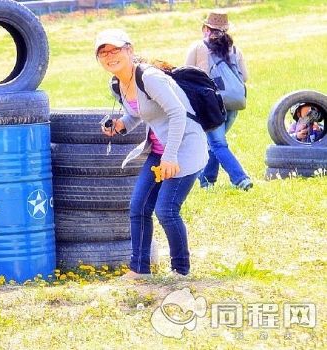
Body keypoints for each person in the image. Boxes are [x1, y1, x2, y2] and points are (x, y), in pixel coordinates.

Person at [96, 29, 208, 279]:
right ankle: (139, 270)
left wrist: (170, 157)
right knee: (139, 207)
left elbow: (177, 114)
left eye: (115, 50)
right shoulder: (119, 84)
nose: (110, 56)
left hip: (184, 148)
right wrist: (121, 124)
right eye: (103, 52)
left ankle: (181, 271)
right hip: (159, 150)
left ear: (129, 50)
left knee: (166, 210)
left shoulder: (150, 77)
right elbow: (139, 112)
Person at [185, 11, 252, 190]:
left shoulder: (198, 47)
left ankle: (241, 178)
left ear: (205, 28)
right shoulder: (235, 49)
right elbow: (244, 76)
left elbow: (186, 75)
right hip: (233, 101)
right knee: (213, 142)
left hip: (210, 103)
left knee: (217, 143)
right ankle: (208, 181)